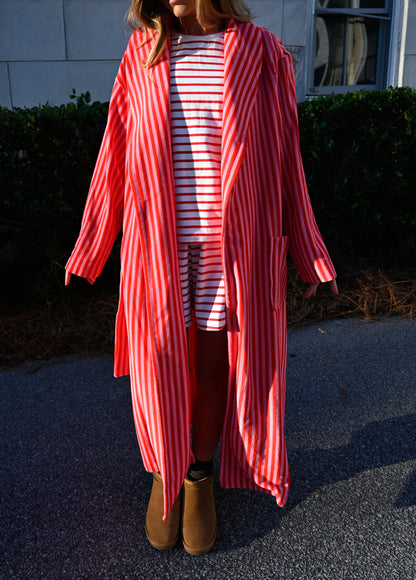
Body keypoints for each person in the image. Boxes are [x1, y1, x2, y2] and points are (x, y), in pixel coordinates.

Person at [65, 0, 338, 556]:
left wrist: (309, 250)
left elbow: (288, 154)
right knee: (161, 368)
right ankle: (165, 472)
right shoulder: (143, 52)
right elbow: (114, 152)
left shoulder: (262, 52)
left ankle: (198, 476)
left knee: (214, 366)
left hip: (232, 247)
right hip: (158, 246)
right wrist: (92, 244)